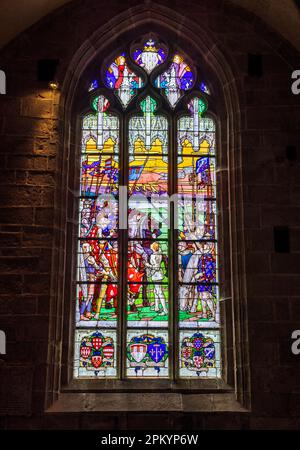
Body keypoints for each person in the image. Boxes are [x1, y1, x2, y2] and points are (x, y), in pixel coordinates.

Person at [145, 242, 167, 315]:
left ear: (153, 247)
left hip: (156, 274)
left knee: (159, 292)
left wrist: (148, 265)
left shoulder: (153, 256)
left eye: (151, 246)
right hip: (158, 274)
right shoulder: (159, 254)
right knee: (156, 291)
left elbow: (156, 267)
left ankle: (165, 310)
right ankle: (156, 307)